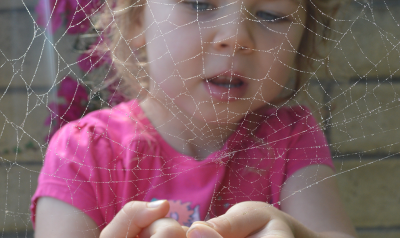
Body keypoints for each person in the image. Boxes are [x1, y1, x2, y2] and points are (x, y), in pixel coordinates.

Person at [31, 0, 358, 237]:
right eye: (200, 4)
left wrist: (294, 233)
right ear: (136, 20)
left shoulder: (291, 135)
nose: (236, 36)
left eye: (271, 14)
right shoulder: (82, 150)